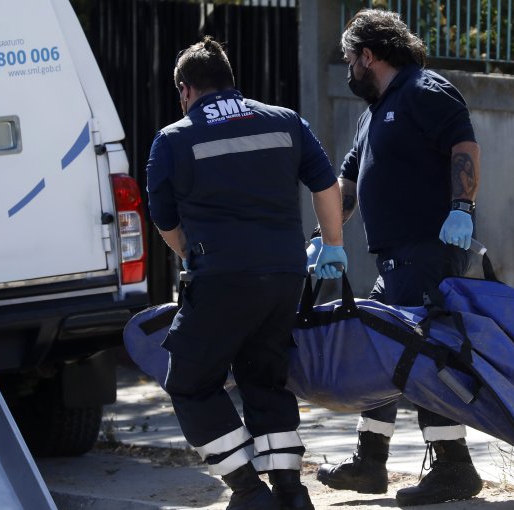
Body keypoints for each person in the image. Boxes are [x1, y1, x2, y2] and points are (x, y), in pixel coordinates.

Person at [146, 36, 348, 510]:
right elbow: (325, 184)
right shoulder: (284, 122)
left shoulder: (173, 139)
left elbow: (165, 219)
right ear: (231, 80)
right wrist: (333, 245)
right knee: (265, 380)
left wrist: (189, 257)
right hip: (284, 274)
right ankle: (292, 493)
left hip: (219, 276)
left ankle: (249, 492)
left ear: (185, 89)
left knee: (190, 384)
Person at [314, 9, 484, 507]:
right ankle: (370, 462)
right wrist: (324, 237)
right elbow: (347, 184)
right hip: (394, 258)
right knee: (376, 350)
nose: (348, 72)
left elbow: (464, 146)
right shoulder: (374, 112)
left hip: (428, 251)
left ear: (369, 55)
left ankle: (454, 467)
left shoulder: (424, 90)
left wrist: (461, 208)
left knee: (421, 355)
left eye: (350, 60)